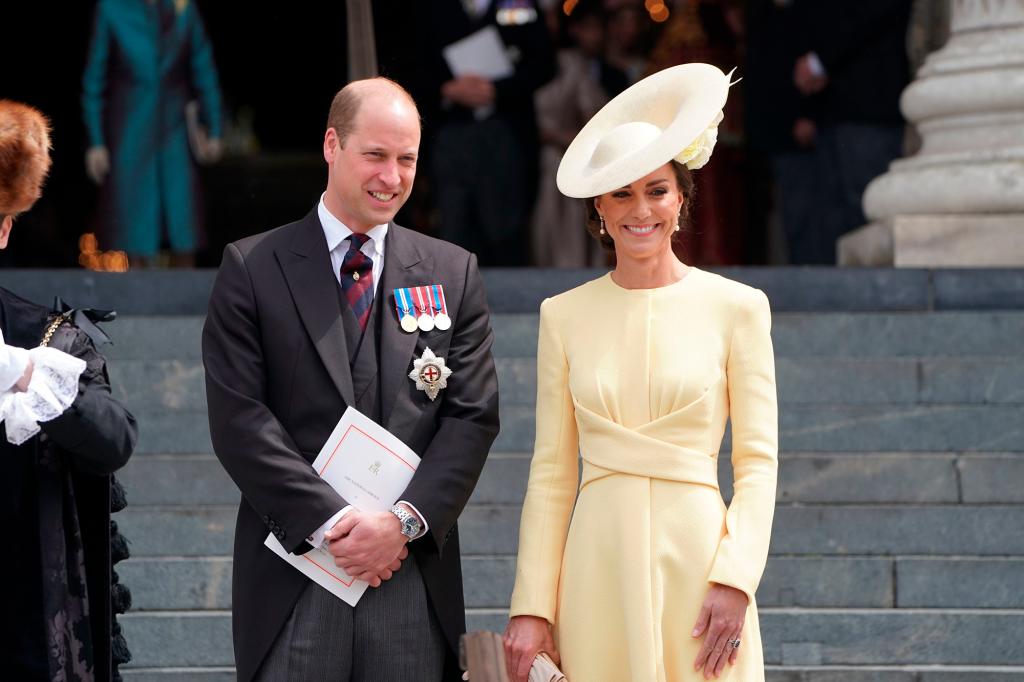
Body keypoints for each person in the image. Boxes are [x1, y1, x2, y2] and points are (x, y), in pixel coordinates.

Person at [202, 78, 500, 682]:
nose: (392, 177)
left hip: (407, 569)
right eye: (376, 155)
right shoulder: (253, 267)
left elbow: (471, 416)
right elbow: (240, 420)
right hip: (297, 566)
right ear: (332, 145)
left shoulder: (452, 270)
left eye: (407, 159)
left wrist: (402, 524)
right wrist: (335, 526)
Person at [503, 64, 778, 681]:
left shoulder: (739, 308)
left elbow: (758, 465)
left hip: (702, 565)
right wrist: (531, 607)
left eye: (656, 189)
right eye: (622, 193)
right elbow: (550, 472)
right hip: (597, 565)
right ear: (599, 207)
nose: (640, 209)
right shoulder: (562, 315)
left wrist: (735, 579)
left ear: (681, 199)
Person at [0, 100, 138, 681]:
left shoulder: (47, 338)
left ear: (5, 228)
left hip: (20, 631)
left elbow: (115, 439)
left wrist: (25, 373)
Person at [410, 0, 555, 266]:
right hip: (448, 131)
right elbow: (411, 61)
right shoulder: (430, 7)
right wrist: (446, 89)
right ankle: (455, 299)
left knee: (505, 229)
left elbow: (544, 62)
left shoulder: (517, 3)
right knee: (452, 224)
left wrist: (499, 90)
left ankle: (511, 304)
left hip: (506, 130)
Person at [82, 0, 223, 268]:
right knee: (135, 234)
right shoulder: (112, 8)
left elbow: (204, 69)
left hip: (175, 133)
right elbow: (94, 79)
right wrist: (96, 141)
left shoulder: (184, 7)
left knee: (184, 225)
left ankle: (186, 303)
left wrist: (214, 128)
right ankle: (138, 303)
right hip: (131, 133)